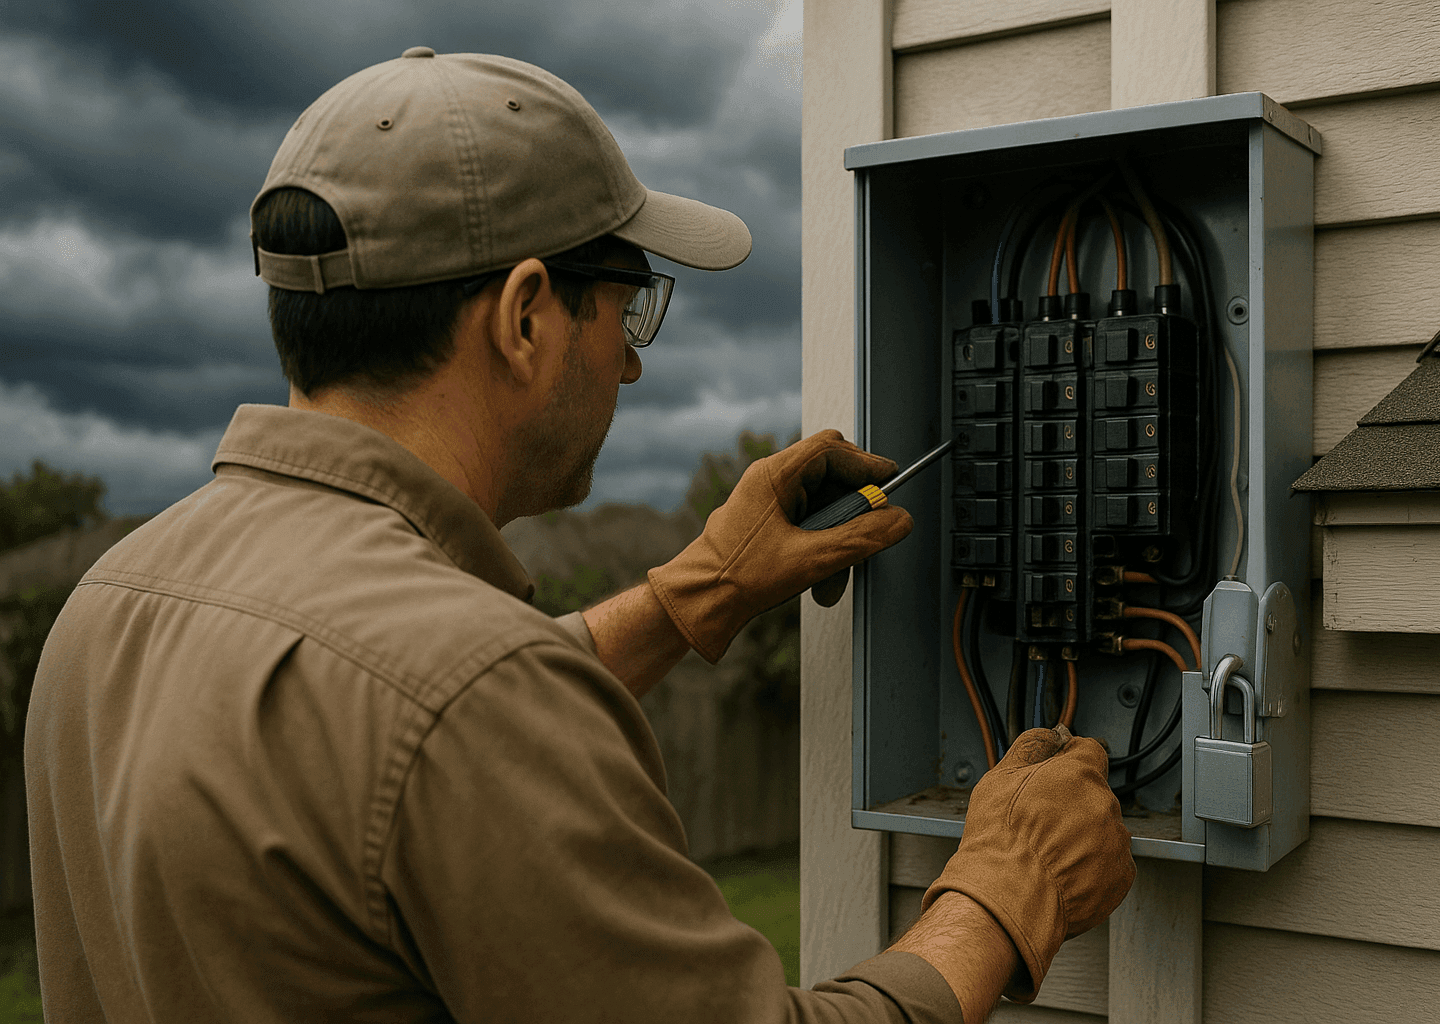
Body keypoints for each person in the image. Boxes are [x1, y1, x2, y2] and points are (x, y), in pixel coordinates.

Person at [24, 49, 1134, 1024]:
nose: (632, 361)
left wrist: (698, 590)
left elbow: (379, 730)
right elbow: (444, 713)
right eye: (626, 302)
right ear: (524, 316)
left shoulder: (110, 606)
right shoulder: (469, 695)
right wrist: (1004, 888)